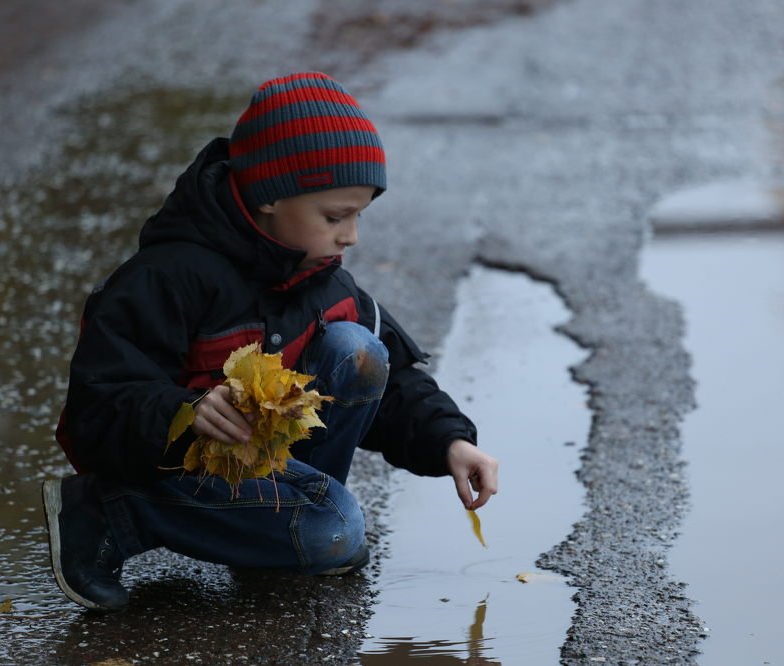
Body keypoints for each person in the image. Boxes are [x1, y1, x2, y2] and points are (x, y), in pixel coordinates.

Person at [42, 72, 499, 612]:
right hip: (174, 469)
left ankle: (279, 526)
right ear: (269, 197)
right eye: (335, 216)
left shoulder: (323, 278)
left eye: (359, 215)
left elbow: (394, 378)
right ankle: (111, 511)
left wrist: (449, 441)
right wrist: (184, 410)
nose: (351, 235)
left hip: (257, 466)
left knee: (359, 348)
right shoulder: (170, 277)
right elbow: (98, 405)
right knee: (339, 534)